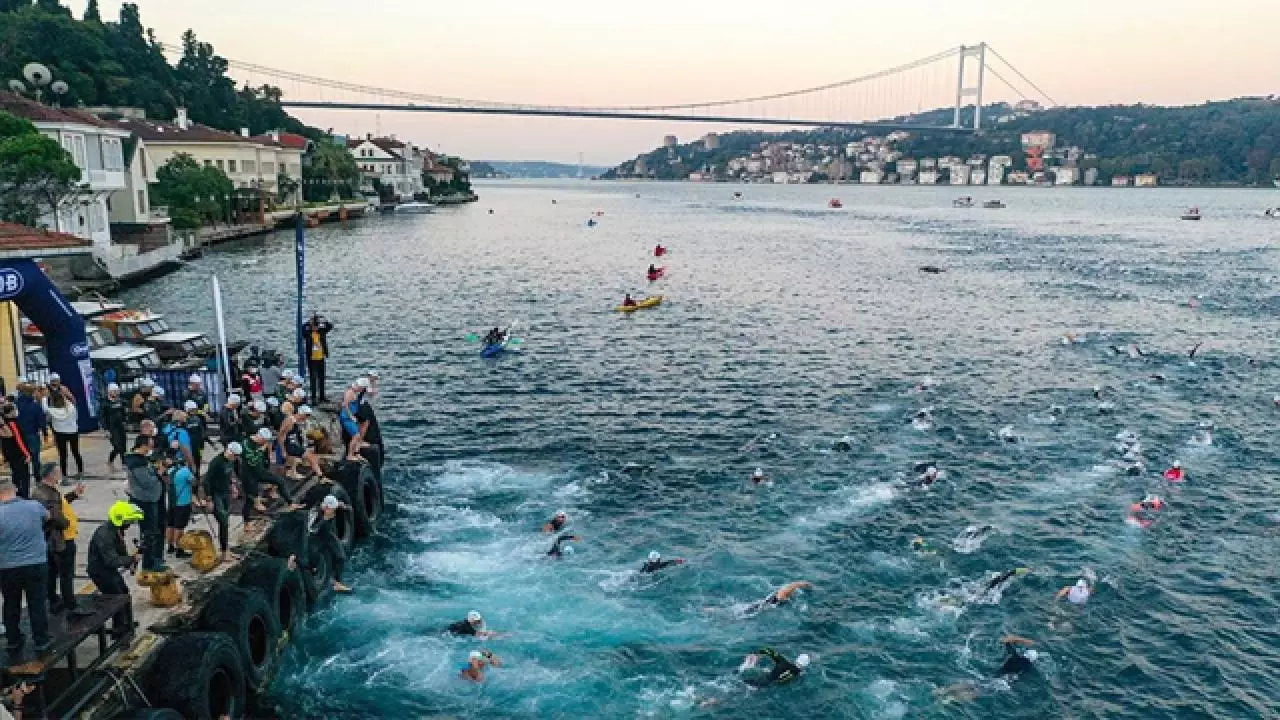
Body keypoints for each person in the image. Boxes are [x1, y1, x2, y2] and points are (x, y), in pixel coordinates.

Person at [0, 478, 52, 654]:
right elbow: (48, 517)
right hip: (36, 563)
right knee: (37, 603)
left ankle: (13, 640)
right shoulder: (33, 506)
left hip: (8, 567)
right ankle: (41, 641)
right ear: (14, 489)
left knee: (11, 604)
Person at [31, 463, 84, 614]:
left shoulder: (43, 491)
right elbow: (56, 516)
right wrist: (67, 523)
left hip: (50, 541)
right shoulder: (48, 495)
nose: (60, 475)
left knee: (52, 572)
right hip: (60, 540)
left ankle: (53, 600)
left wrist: (73, 495)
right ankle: (70, 603)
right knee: (66, 573)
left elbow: (59, 504)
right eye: (58, 472)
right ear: (51, 475)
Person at [87, 501, 142, 637]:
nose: (130, 524)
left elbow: (120, 553)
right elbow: (111, 560)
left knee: (124, 592)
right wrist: (131, 559)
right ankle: (119, 630)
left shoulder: (116, 530)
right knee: (116, 599)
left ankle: (126, 623)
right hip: (100, 571)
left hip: (108, 570)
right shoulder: (105, 534)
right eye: (129, 521)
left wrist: (128, 560)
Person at [123, 435, 166, 572]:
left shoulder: (142, 460)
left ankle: (155, 558)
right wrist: (158, 474)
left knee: (155, 530)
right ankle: (149, 564)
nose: (151, 448)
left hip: (152, 499)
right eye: (150, 445)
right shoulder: (136, 462)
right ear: (143, 445)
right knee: (149, 533)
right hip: (145, 501)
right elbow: (146, 482)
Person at [204, 443, 241, 561]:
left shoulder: (230, 461)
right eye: (234, 456)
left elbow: (229, 475)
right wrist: (209, 499)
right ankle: (224, 553)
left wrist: (233, 487)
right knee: (223, 521)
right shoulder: (216, 462)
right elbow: (207, 481)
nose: (235, 459)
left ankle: (225, 549)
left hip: (225, 493)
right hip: (216, 495)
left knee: (225, 522)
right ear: (229, 452)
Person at [45, 381, 83, 482]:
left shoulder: (51, 411)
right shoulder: (71, 407)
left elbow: (47, 418)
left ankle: (65, 476)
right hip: (73, 432)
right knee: (76, 452)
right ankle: (80, 472)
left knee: (63, 455)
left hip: (60, 433)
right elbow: (75, 415)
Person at [312, 495, 351, 593]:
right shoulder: (317, 514)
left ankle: (337, 583)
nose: (333, 511)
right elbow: (313, 529)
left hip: (329, 534)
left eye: (334, 509)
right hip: (319, 538)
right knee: (314, 562)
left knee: (341, 557)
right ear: (326, 508)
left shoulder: (331, 508)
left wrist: (344, 506)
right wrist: (324, 520)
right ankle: (335, 582)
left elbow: (349, 509)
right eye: (332, 509)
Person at [12, 382, 44, 492]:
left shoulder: (16, 405)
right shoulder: (35, 406)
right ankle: (38, 480)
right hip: (32, 434)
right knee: (35, 459)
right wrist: (44, 432)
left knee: (21, 460)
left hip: (19, 435)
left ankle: (19, 482)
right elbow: (41, 421)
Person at [278, 405, 322, 480]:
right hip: (289, 446)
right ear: (301, 414)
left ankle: (292, 472)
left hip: (293, 444)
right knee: (311, 457)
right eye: (307, 415)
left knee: (311, 456)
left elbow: (297, 436)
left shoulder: (296, 421)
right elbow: (280, 436)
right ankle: (321, 477)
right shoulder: (289, 421)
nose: (307, 417)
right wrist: (283, 451)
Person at [0, 400, 32, 499]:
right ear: (10, 412)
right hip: (19, 455)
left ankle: (17, 495)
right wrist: (27, 454)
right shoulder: (12, 424)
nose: (16, 411)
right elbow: (19, 440)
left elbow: (3, 443)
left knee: (16, 476)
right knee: (24, 478)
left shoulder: (4, 424)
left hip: (10, 455)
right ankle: (25, 497)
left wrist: (5, 457)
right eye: (14, 409)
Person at [165, 455, 195, 559]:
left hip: (172, 503)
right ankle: (179, 548)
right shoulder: (185, 471)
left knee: (170, 524)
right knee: (180, 526)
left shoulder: (170, 471)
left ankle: (170, 546)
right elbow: (194, 482)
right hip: (183, 503)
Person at [302, 312, 334, 402]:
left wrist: (322, 320)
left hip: (320, 358)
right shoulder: (307, 333)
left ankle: (322, 397)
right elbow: (301, 329)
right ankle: (313, 397)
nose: (315, 328)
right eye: (314, 326)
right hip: (312, 359)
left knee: (322, 377)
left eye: (317, 326)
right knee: (313, 378)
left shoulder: (322, 331)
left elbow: (330, 326)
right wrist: (309, 322)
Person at [738, 647, 810, 687]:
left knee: (740, 685)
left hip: (762, 678)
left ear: (797, 659)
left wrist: (755, 654)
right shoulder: (797, 674)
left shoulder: (783, 661)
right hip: (764, 686)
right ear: (805, 665)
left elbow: (769, 651)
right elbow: (779, 681)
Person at [101, 383, 128, 470]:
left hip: (120, 426)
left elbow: (124, 413)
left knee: (123, 445)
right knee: (117, 446)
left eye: (117, 391)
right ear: (109, 392)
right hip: (111, 428)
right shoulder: (105, 403)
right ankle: (110, 460)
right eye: (114, 391)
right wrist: (106, 430)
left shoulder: (121, 401)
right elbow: (102, 417)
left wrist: (125, 421)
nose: (116, 393)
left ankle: (124, 463)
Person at [748, 581, 814, 613]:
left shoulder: (792, 585)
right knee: (759, 609)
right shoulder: (791, 588)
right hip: (776, 600)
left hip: (773, 597)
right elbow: (780, 597)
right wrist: (786, 600)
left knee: (759, 606)